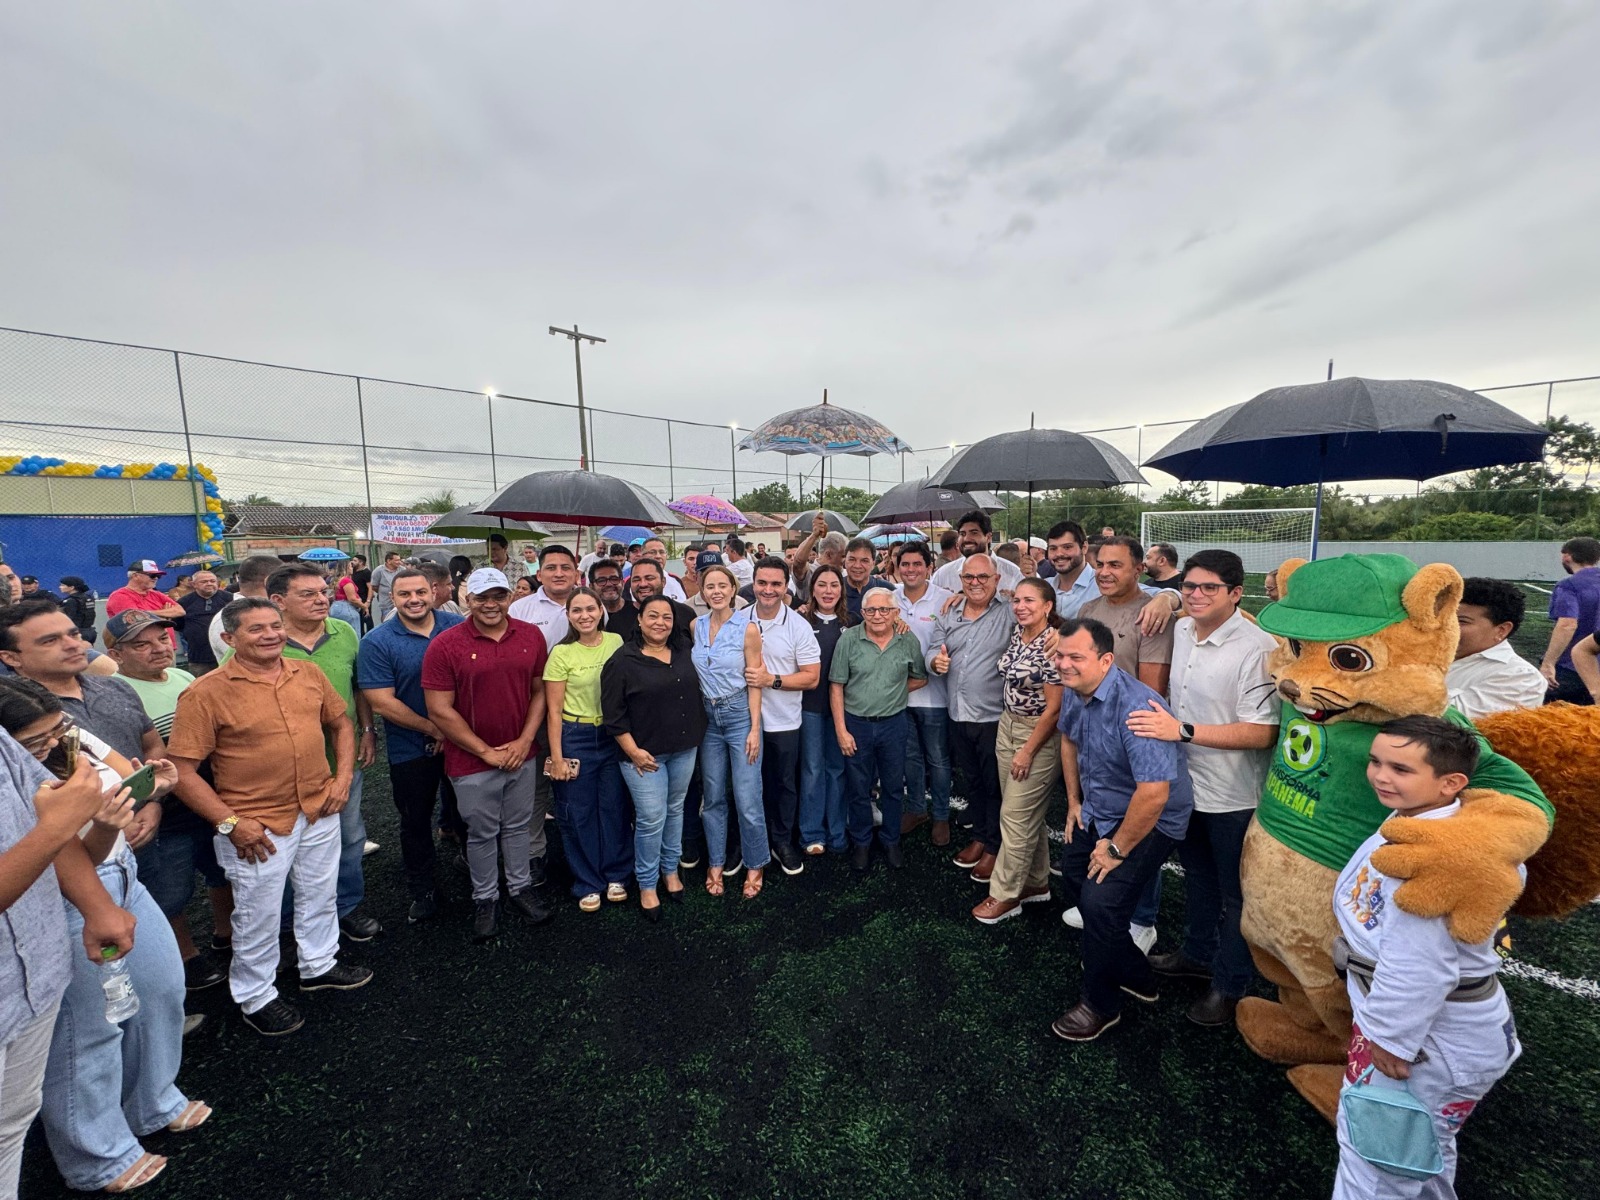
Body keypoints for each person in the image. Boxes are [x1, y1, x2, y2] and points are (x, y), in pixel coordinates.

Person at [0, 678, 203, 1193]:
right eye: (34, 741)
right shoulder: (19, 766)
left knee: (161, 989)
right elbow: (64, 851)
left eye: (57, 730)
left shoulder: (65, 737)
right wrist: (104, 831)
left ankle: (152, 1101)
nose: (52, 744)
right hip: (58, 899)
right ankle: (97, 1154)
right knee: (87, 1030)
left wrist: (151, 790)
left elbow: (125, 786)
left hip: (119, 876)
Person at [1331, 716, 1521, 1200]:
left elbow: (1421, 967)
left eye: (1401, 768)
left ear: (1450, 783)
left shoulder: (1436, 861)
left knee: (1374, 1167)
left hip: (1427, 1040)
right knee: (1420, 1152)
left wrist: (1391, 1040)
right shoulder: (1437, 824)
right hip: (1444, 1032)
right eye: (1375, 761)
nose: (1380, 776)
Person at [167, 598, 371, 1037]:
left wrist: (341, 780)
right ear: (229, 638)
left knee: (319, 893)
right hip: (256, 824)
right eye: (256, 629)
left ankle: (318, 964)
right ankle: (255, 996)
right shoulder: (205, 692)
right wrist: (229, 823)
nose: (271, 635)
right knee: (257, 914)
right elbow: (181, 771)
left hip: (318, 807)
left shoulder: (307, 673)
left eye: (275, 626)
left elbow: (341, 724)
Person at [1127, 550, 1278, 1028]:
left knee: (1236, 895)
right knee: (1197, 877)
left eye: (1209, 587)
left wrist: (1182, 731)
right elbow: (1167, 600)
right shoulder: (1182, 629)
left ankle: (1230, 987)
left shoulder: (1257, 648)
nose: (1196, 595)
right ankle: (1195, 954)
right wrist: (1168, 598)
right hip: (1186, 785)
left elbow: (1263, 732)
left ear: (1236, 593)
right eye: (1189, 586)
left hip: (1234, 795)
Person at [0, 723, 137, 1198]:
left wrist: (97, 905)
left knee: (12, 1121)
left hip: (34, 968)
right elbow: (53, 826)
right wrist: (60, 824)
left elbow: (38, 818)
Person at [1049, 618, 1193, 1043]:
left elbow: (1154, 795)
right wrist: (1074, 802)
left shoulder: (1137, 707)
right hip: (1100, 808)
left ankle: (1100, 1005)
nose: (1064, 664)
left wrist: (1115, 849)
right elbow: (1069, 739)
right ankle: (1135, 972)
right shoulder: (1075, 688)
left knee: (1101, 904)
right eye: (1060, 655)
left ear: (1106, 660)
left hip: (1150, 819)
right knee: (1074, 877)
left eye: (1076, 657)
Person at [102, 611, 233, 991]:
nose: (159, 648)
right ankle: (186, 956)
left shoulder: (183, 677)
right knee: (170, 886)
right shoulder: (116, 692)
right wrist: (151, 801)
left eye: (162, 639)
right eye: (141, 644)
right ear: (116, 654)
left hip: (208, 795)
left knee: (222, 868)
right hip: (164, 808)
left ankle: (225, 934)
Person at [422, 568, 554, 941]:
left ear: (510, 597)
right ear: (468, 600)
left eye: (498, 596)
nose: (491, 604)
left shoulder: (530, 635)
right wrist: (485, 752)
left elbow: (539, 692)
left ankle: (519, 888)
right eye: (482, 597)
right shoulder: (445, 645)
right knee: (481, 832)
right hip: (470, 761)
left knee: (518, 826)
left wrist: (524, 741)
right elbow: (439, 710)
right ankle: (485, 897)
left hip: (520, 754)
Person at [268, 564, 381, 943]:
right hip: (282, 766)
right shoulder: (263, 640)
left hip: (340, 757)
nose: (321, 599)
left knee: (349, 835)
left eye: (323, 591)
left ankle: (345, 906)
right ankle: (287, 923)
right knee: (285, 845)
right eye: (308, 594)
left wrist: (367, 730)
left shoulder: (344, 631)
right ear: (278, 601)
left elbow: (358, 686)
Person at [0, 600, 165, 860]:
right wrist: (105, 829)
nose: (72, 645)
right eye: (50, 641)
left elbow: (152, 746)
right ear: (10, 657)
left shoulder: (116, 688)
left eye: (74, 634)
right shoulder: (12, 718)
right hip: (64, 857)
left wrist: (152, 802)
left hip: (142, 835)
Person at [356, 567, 465, 923]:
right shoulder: (377, 641)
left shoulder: (458, 626)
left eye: (420, 592)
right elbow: (382, 701)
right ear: (391, 597)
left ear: (433, 592)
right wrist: (434, 729)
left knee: (468, 810)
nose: (414, 600)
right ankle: (423, 887)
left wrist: (454, 732)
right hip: (411, 746)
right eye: (404, 594)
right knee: (415, 819)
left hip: (463, 740)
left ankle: (472, 864)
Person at [603, 595, 707, 920]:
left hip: (684, 748)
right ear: (639, 619)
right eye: (653, 616)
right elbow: (613, 715)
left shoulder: (684, 650)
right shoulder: (622, 660)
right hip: (643, 756)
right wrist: (633, 751)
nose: (660, 622)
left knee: (675, 810)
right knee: (651, 818)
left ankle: (670, 870)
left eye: (666, 617)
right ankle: (647, 884)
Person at [971, 579, 1064, 924]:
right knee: (1024, 813)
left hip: (1036, 733)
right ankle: (1036, 882)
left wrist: (1028, 751)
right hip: (1007, 725)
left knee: (1014, 816)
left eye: (1030, 601)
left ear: (1048, 606)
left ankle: (1005, 894)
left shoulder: (1053, 645)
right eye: (1018, 600)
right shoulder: (1018, 633)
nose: (1021, 607)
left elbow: (1054, 710)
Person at [544, 588, 630, 913]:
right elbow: (553, 712)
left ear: (600, 611)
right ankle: (588, 881)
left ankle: (617, 875)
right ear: (568, 615)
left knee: (614, 807)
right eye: (577, 610)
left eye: (590, 609)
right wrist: (557, 757)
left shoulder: (616, 642)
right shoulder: (561, 653)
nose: (585, 616)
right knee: (577, 812)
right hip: (574, 736)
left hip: (611, 734)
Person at [930, 554, 1013, 881]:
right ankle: (980, 836)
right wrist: (934, 662)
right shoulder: (950, 611)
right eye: (969, 578)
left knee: (994, 786)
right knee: (972, 782)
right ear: (961, 580)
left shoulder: (1010, 611)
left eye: (982, 577)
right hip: (957, 714)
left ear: (997, 580)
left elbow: (1043, 616)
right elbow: (934, 647)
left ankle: (994, 846)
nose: (975, 583)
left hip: (993, 717)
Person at [832, 588, 927, 872]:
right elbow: (836, 685)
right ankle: (861, 841)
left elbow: (920, 677)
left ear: (896, 613)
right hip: (856, 724)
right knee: (858, 787)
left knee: (893, 786)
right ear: (862, 613)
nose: (877, 615)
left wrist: (891, 692)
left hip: (893, 725)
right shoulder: (849, 639)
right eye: (871, 610)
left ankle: (890, 839)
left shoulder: (907, 640)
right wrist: (841, 730)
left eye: (884, 609)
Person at [692, 565, 766, 899]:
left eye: (723, 585)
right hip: (707, 719)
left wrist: (754, 729)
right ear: (703, 592)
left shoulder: (747, 629)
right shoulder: (696, 626)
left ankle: (755, 863)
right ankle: (716, 863)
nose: (717, 591)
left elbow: (755, 681)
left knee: (747, 797)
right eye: (710, 586)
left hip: (738, 716)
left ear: (734, 589)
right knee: (713, 796)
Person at [744, 558, 821, 876]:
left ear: (786, 585)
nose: (768, 590)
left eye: (776, 584)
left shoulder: (798, 626)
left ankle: (782, 840)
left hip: (784, 721)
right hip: (744, 722)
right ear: (753, 583)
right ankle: (749, 842)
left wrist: (771, 680)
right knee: (748, 786)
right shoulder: (738, 619)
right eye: (762, 583)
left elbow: (812, 677)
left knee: (784, 784)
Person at [893, 543, 956, 846]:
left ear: (929, 567)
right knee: (910, 757)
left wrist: (960, 595)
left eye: (917, 564)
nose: (911, 570)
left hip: (935, 696)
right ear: (897, 568)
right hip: (900, 695)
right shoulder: (889, 598)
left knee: (938, 759)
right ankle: (917, 809)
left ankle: (941, 815)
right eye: (905, 564)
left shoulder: (945, 599)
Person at [798, 565, 854, 856]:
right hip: (810, 707)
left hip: (843, 709)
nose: (828, 591)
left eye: (834, 585)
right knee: (812, 769)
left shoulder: (853, 622)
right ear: (812, 589)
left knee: (837, 769)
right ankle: (812, 833)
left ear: (841, 590)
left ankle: (837, 831)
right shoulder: (800, 620)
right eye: (822, 584)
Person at [1079, 536, 1173, 696]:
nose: (1104, 572)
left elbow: (1150, 694)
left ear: (1138, 570)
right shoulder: (1087, 609)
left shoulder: (1152, 616)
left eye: (1115, 565)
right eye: (1100, 565)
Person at [1447, 577, 1548, 720]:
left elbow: (1451, 718)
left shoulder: (1521, 677)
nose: (1444, 626)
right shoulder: (1426, 654)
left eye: (1461, 621)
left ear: (1502, 630)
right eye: (1441, 617)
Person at [1540, 536, 1600, 705]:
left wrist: (1548, 663)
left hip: (1571, 669)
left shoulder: (1569, 586)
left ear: (1567, 556)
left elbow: (1567, 624)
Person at [605, 559, 695, 649]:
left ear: (663, 582)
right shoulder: (617, 621)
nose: (643, 584)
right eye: (636, 579)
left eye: (649, 578)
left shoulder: (685, 613)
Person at [207, 554, 282, 661]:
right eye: (256, 629)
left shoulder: (272, 609)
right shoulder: (228, 618)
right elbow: (248, 661)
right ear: (269, 581)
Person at [931, 511, 1023, 595]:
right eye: (962, 534)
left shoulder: (1012, 573)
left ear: (988, 537)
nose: (966, 538)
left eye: (974, 533)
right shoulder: (943, 575)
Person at [509, 543, 580, 647]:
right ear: (539, 575)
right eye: (551, 568)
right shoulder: (518, 609)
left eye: (565, 568)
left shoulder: (593, 604)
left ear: (576, 575)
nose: (559, 574)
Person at [105, 560, 184, 650]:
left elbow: (180, 611)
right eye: (152, 575)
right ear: (135, 576)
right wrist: (164, 615)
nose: (156, 578)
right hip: (140, 649)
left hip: (167, 646)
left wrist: (147, 613)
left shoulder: (155, 594)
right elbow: (135, 620)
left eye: (158, 576)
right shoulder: (120, 596)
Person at [176, 570, 233, 675]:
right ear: (194, 584)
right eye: (204, 582)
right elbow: (178, 625)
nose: (209, 584)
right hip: (199, 658)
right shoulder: (184, 602)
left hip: (228, 655)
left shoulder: (230, 599)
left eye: (212, 581)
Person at [840, 537, 894, 619]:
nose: (857, 566)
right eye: (852, 559)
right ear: (845, 561)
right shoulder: (834, 590)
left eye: (864, 561)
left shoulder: (887, 589)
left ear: (873, 564)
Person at [57, 576, 98, 645]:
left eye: (63, 585)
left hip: (77, 634)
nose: (60, 587)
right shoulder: (88, 598)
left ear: (72, 587)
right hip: (90, 631)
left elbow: (69, 619)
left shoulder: (71, 600)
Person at [370, 550, 403, 624]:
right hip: (386, 602)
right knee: (387, 618)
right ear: (389, 561)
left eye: (399, 560)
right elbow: (374, 586)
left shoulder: (402, 570)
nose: (399, 562)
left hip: (400, 600)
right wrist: (384, 592)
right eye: (397, 560)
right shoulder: (379, 570)